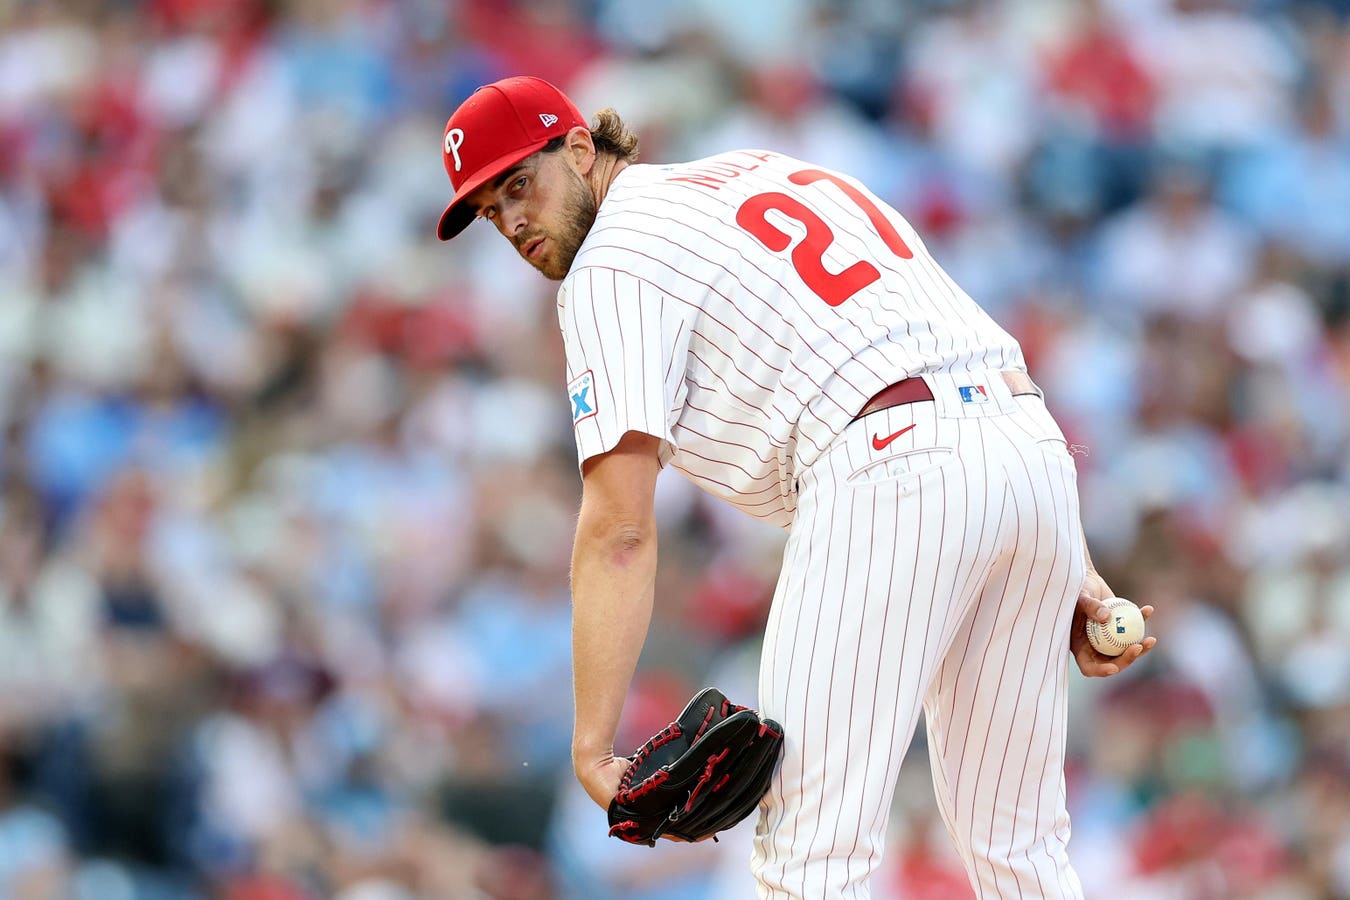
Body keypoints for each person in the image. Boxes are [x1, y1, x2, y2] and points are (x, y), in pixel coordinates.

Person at [434, 75, 1156, 899]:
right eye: (490, 211)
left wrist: (593, 748)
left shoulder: (610, 260)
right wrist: (1068, 563)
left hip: (891, 471)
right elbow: (958, 349)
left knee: (809, 857)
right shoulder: (765, 171)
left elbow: (620, 528)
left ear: (578, 147)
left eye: (518, 185)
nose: (512, 221)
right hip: (1027, 450)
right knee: (1019, 848)